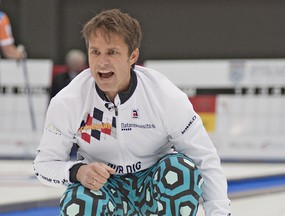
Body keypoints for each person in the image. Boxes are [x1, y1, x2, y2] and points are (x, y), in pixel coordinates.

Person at [33, 9, 231, 216]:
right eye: (95, 52)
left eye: (112, 52)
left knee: (181, 170)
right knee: (78, 200)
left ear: (133, 56)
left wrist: (219, 212)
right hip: (105, 188)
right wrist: (77, 171)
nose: (102, 62)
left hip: (153, 186)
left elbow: (203, 157)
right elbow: (44, 165)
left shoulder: (164, 96)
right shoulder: (68, 101)